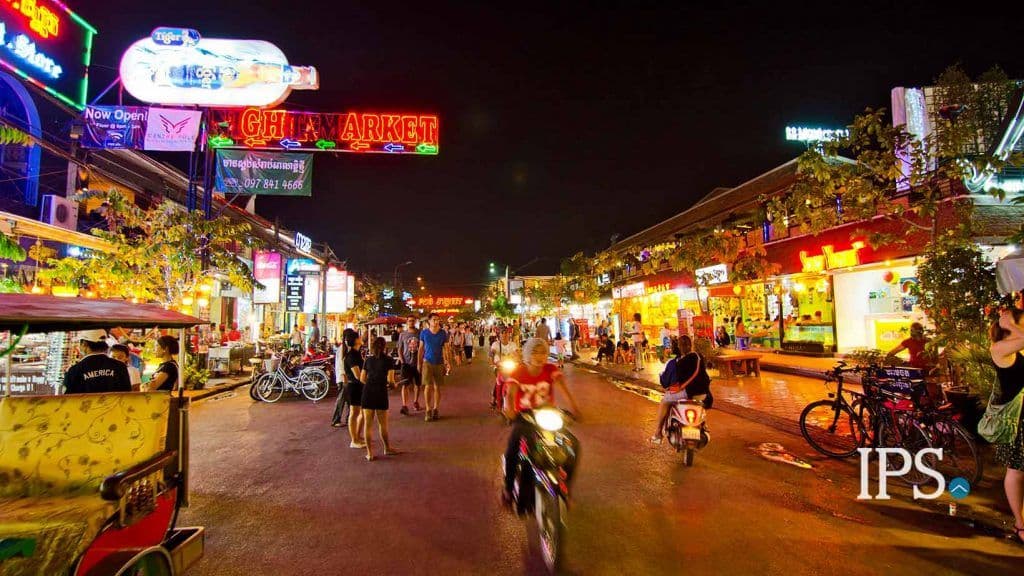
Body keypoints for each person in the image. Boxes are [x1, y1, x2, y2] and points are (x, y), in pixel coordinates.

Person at [501, 338, 582, 507]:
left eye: (543, 352)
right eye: (535, 352)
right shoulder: (519, 373)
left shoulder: (551, 369)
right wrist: (509, 410)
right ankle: (508, 489)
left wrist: (574, 407)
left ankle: (565, 487)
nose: (540, 356)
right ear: (527, 355)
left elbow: (563, 388)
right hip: (524, 416)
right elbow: (509, 395)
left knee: (572, 445)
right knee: (512, 450)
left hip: (548, 414)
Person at [991, 307, 1024, 544]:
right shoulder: (1000, 349)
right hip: (1017, 420)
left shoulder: (1019, 347)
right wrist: (1010, 324)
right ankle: (1020, 523)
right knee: (1016, 470)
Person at [651, 335, 711, 443]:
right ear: (691, 345)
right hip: (703, 394)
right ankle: (704, 425)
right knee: (699, 404)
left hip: (687, 392)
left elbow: (672, 383)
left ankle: (658, 433)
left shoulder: (677, 362)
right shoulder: (699, 357)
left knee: (665, 401)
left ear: (678, 347)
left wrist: (668, 386)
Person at [360, 337, 399, 461]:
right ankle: (387, 448)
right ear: (384, 347)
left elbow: (362, 378)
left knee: (368, 424)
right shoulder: (389, 360)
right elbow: (391, 380)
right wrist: (394, 385)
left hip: (368, 391)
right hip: (381, 392)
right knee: (383, 424)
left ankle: (369, 452)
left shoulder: (368, 360)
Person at [63, 330, 132, 394]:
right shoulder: (120, 366)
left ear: (84, 344)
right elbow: (127, 395)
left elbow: (68, 400)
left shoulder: (74, 370)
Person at [418, 313, 452, 421]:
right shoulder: (424, 333)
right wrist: (419, 363)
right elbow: (421, 348)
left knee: (437, 386)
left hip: (439, 362)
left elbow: (446, 349)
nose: (436, 322)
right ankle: (428, 409)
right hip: (427, 362)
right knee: (428, 386)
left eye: (437, 320)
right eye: (434, 320)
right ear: (429, 321)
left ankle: (436, 408)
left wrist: (448, 362)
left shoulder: (443, 333)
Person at [342, 332, 366, 447]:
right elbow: (357, 375)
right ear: (356, 340)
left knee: (361, 412)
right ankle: (354, 440)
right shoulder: (351, 355)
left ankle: (357, 436)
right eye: (359, 337)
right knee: (354, 412)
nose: (361, 339)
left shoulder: (356, 353)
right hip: (354, 386)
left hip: (358, 386)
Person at [332, 327, 357, 427]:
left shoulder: (345, 348)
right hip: (343, 379)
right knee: (342, 399)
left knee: (348, 400)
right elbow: (341, 365)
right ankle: (336, 419)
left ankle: (348, 418)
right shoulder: (342, 349)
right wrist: (344, 377)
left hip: (345, 378)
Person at [398, 318, 423, 414]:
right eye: (410, 321)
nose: (411, 322)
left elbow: (423, 347)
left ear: (415, 322)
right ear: (407, 322)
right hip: (406, 363)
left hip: (417, 362)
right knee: (405, 384)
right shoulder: (402, 335)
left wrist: (420, 362)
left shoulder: (420, 333)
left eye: (413, 321)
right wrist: (402, 361)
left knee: (417, 384)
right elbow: (400, 348)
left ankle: (415, 401)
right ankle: (404, 405)